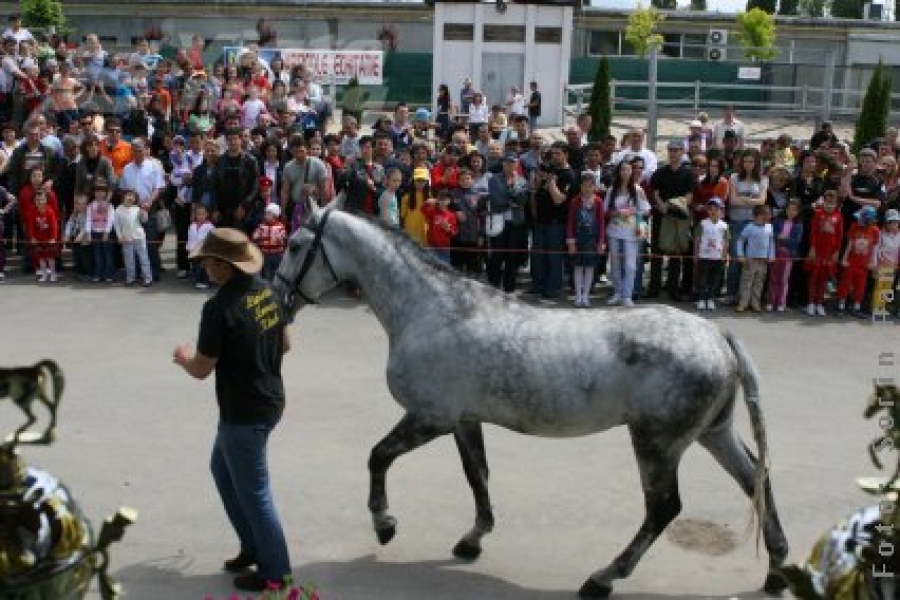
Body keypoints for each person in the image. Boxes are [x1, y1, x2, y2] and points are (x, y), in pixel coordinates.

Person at [172, 227, 293, 593]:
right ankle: (253, 546)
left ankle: (276, 572)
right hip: (268, 399)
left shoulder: (218, 308)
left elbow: (201, 369)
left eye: (209, 261)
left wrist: (182, 358)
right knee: (222, 472)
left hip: (245, 412)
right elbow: (286, 343)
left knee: (255, 492)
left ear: (226, 266)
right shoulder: (270, 290)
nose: (205, 266)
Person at [605, 158, 650, 307]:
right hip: (614, 231)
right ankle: (617, 292)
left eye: (628, 169)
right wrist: (616, 213)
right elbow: (606, 210)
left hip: (631, 233)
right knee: (616, 263)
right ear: (618, 172)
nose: (625, 172)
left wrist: (639, 224)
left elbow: (646, 211)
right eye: (622, 169)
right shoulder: (612, 190)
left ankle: (627, 294)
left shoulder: (638, 190)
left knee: (630, 265)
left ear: (632, 172)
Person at [485, 153, 528, 292]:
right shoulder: (494, 179)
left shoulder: (522, 180)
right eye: (507, 162)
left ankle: (509, 287)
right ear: (503, 163)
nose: (510, 165)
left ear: (517, 164)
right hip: (499, 222)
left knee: (512, 256)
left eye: (513, 163)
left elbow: (522, 201)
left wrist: (512, 188)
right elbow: (496, 199)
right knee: (497, 255)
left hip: (515, 223)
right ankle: (493, 285)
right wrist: (512, 200)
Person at [566, 171, 605, 307]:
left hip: (592, 241)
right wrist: (571, 242)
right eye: (584, 186)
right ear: (580, 187)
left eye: (590, 186)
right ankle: (578, 295)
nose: (587, 189)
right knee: (577, 267)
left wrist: (601, 242)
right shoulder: (575, 201)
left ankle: (586, 296)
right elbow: (570, 221)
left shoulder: (599, 202)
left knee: (589, 268)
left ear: (594, 187)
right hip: (578, 240)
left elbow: (601, 223)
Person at [835, 206, 880, 317]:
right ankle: (841, 306)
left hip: (864, 264)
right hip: (851, 262)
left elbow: (875, 248)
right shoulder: (854, 227)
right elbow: (849, 244)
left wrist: (873, 263)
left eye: (862, 218)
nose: (859, 220)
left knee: (860, 286)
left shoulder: (875, 230)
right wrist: (844, 258)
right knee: (845, 284)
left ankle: (856, 307)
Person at [806, 189, 844, 317]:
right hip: (817, 251)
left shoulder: (838, 216)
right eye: (827, 202)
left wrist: (836, 251)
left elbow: (839, 235)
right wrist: (812, 248)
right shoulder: (818, 214)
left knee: (823, 279)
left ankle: (819, 303)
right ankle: (811, 303)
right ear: (824, 202)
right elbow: (813, 232)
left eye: (832, 203)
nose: (829, 205)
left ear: (836, 204)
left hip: (829, 252)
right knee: (814, 277)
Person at [735, 204, 775, 313]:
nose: (769, 217)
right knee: (746, 282)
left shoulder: (769, 227)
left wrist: (771, 255)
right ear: (757, 216)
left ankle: (755, 303)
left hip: (763, 261)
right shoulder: (749, 227)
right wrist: (740, 255)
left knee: (759, 282)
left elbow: (772, 242)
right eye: (766, 215)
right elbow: (740, 240)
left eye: (769, 215)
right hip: (750, 260)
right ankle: (743, 303)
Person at [766, 199, 803, 312]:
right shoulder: (778, 220)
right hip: (776, 252)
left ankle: (781, 302)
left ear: (798, 212)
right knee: (773, 277)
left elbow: (795, 241)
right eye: (789, 209)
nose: (791, 212)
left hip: (788, 255)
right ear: (785, 209)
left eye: (794, 210)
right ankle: (771, 301)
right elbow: (774, 234)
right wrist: (782, 237)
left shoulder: (799, 225)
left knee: (783, 279)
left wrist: (783, 238)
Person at [694, 197, 729, 311]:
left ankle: (710, 299)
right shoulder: (703, 223)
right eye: (710, 209)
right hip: (704, 256)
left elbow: (726, 241)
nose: (713, 211)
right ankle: (700, 299)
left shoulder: (724, 226)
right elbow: (697, 239)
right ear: (707, 211)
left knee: (714, 280)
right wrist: (696, 253)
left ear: (721, 211)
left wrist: (724, 255)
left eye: (716, 209)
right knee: (702, 279)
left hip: (717, 257)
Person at [114, 189, 153, 287]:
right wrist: (119, 236)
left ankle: (147, 278)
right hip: (126, 238)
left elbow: (144, 220)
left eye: (133, 196)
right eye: (129, 195)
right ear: (123, 197)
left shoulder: (137, 209)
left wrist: (144, 212)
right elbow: (117, 225)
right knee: (128, 260)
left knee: (144, 258)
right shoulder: (118, 210)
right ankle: (130, 278)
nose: (131, 198)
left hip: (139, 236)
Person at [26, 189, 58, 282]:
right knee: (41, 258)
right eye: (37, 200)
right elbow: (31, 226)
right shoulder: (32, 212)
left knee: (50, 258)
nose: (40, 201)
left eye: (42, 199)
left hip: (49, 240)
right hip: (38, 240)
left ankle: (53, 274)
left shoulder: (50, 211)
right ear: (35, 201)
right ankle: (44, 274)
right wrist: (32, 237)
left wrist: (53, 238)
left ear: (46, 200)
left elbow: (54, 226)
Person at [421, 190, 458, 263]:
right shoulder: (432, 211)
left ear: (449, 201)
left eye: (445, 199)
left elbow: (454, 232)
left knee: (445, 267)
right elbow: (423, 210)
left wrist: (448, 229)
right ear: (437, 200)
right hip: (432, 245)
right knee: (432, 267)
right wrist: (427, 202)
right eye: (441, 199)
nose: (443, 202)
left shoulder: (452, 215)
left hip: (445, 247)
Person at [186, 204, 215, 289]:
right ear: (195, 215)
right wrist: (189, 248)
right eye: (198, 214)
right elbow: (190, 237)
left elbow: (213, 238)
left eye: (202, 214)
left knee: (205, 266)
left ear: (206, 215)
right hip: (194, 250)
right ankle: (198, 280)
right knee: (196, 266)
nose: (200, 216)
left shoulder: (210, 226)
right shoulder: (192, 225)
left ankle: (206, 281)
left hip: (205, 250)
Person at [400, 168, 430, 245]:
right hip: (410, 233)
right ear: (413, 181)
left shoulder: (430, 198)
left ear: (427, 182)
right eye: (418, 180)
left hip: (424, 234)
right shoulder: (406, 197)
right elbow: (402, 217)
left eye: (423, 180)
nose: (420, 183)